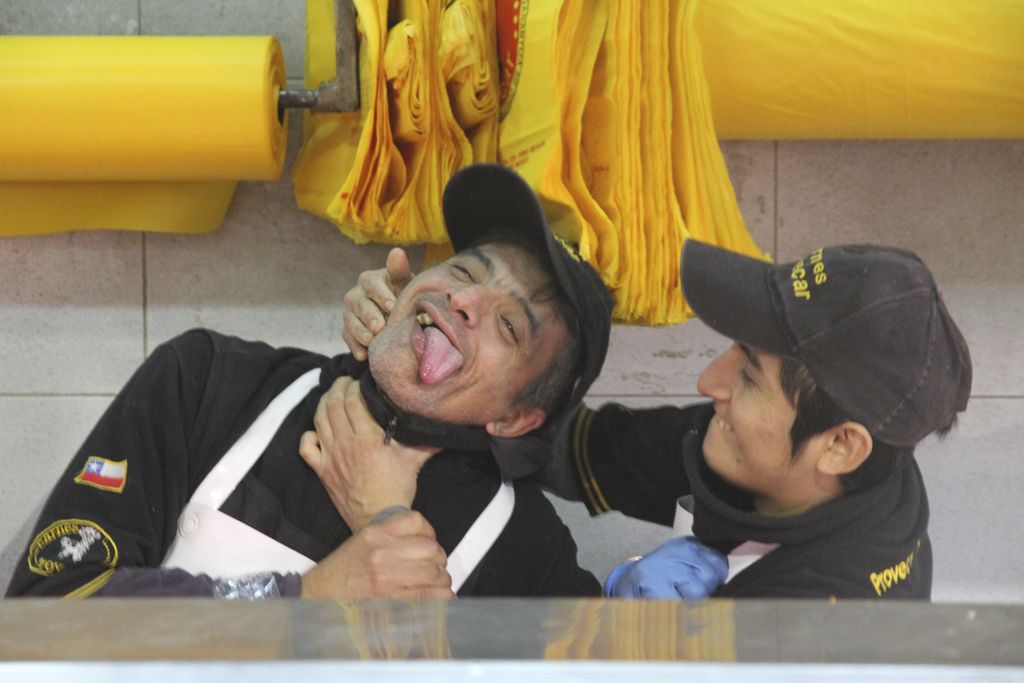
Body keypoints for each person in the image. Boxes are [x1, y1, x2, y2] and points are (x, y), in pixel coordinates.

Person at [5, 163, 614, 600]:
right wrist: (302, 599)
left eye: (509, 325)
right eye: (462, 269)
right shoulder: (211, 382)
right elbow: (49, 610)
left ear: (514, 419)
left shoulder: (523, 553)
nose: (463, 299)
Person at [338, 239, 971, 600]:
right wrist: (419, 341)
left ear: (838, 446)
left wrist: (387, 524)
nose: (709, 383)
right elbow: (580, 446)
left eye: (748, 375)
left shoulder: (814, 632)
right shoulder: (765, 450)